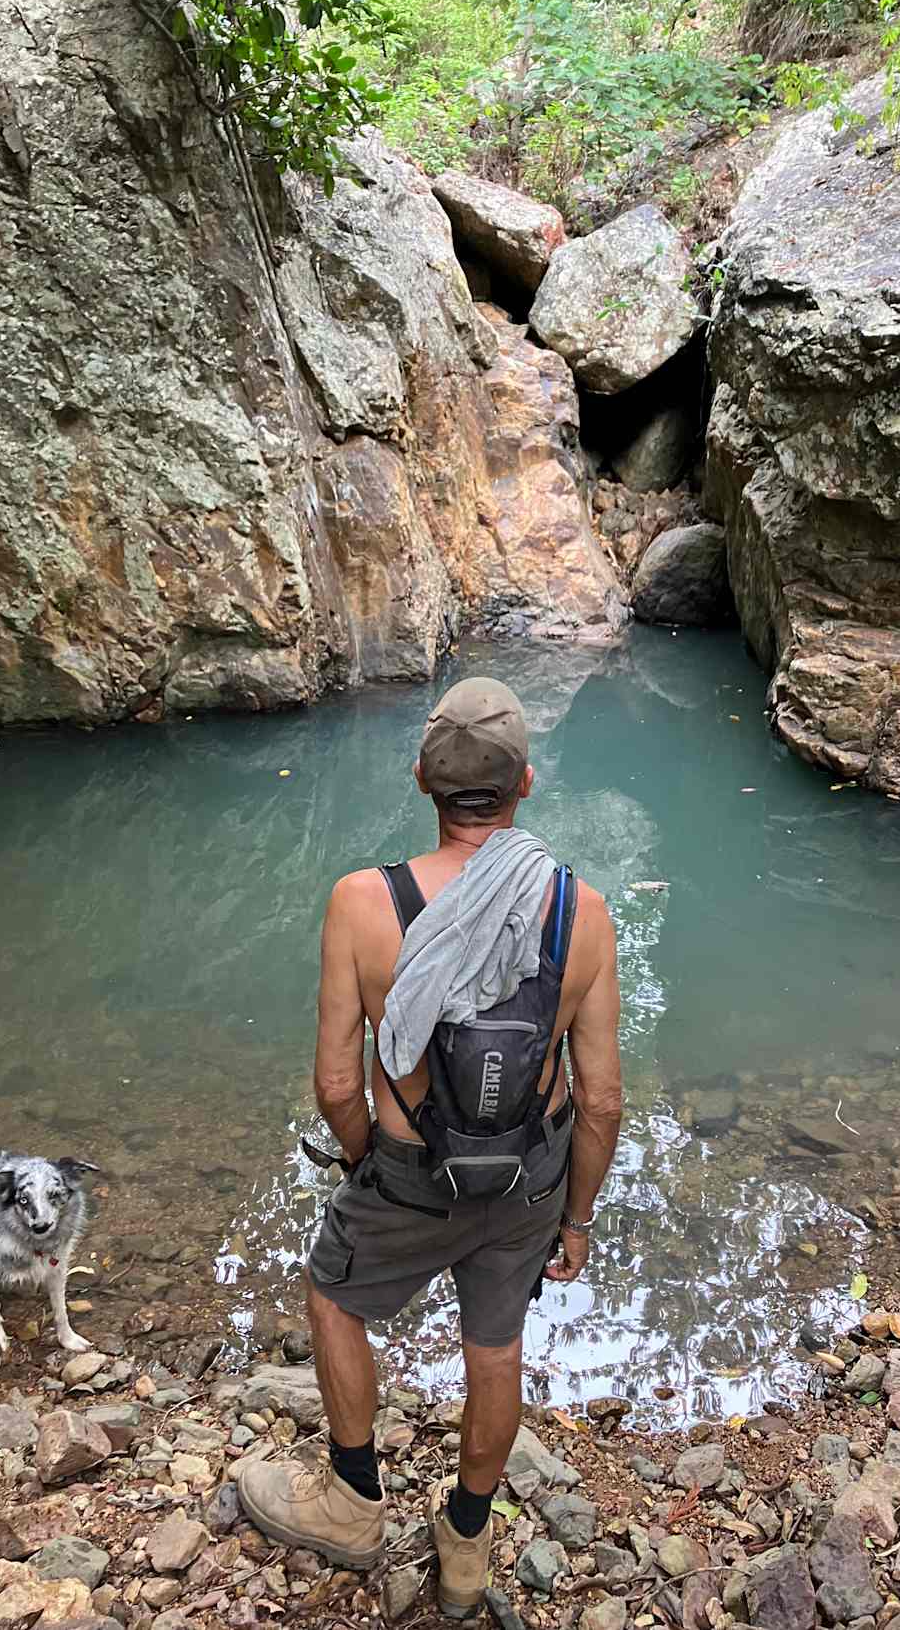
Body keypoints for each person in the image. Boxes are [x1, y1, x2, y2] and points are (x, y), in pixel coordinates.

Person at [239, 677, 622, 1620]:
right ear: (525, 784)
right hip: (529, 1181)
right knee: (495, 1348)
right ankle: (466, 1543)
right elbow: (603, 1100)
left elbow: (336, 1083)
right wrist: (576, 1217)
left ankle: (354, 1498)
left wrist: (377, 1160)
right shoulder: (582, 913)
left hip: (408, 1176)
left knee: (333, 1295)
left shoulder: (364, 903)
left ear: (423, 780)